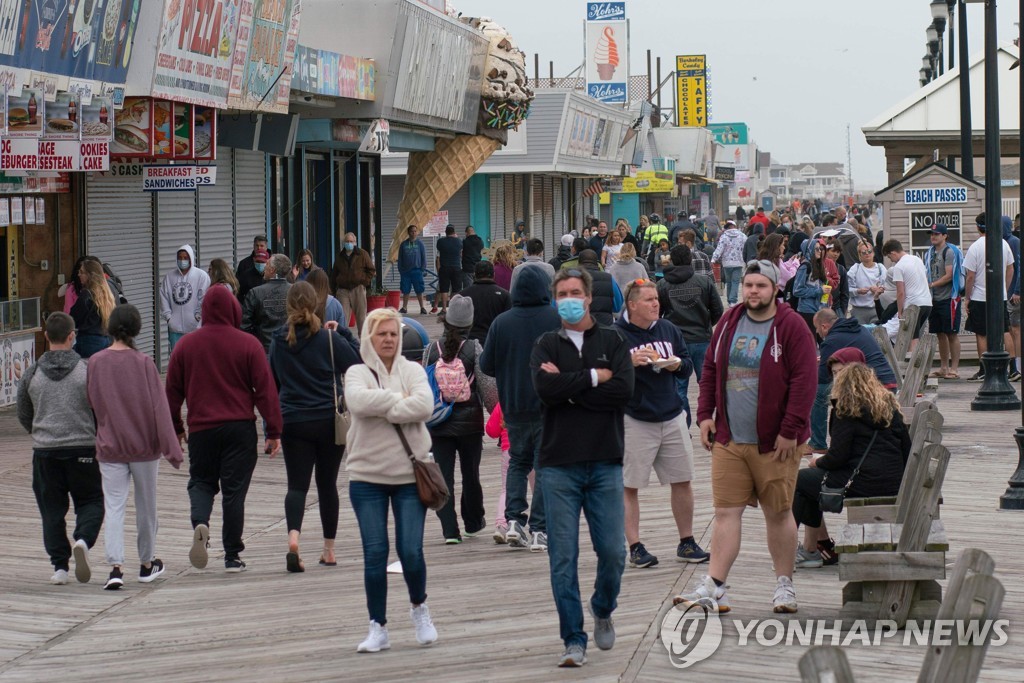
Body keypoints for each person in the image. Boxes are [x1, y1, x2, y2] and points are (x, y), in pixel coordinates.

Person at [675, 259, 816, 614]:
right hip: (730, 439)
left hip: (776, 443)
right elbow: (709, 368)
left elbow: (804, 381)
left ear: (775, 289)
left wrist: (790, 430)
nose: (753, 291)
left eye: (761, 286)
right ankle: (714, 586)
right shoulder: (729, 321)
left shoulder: (792, 326)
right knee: (726, 513)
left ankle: (784, 585)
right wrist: (705, 414)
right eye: (749, 285)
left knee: (779, 513)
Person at [532, 268, 635, 667]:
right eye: (562, 293)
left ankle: (602, 606)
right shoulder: (545, 344)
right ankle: (573, 637)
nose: (569, 298)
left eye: (575, 292)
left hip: (605, 460)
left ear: (590, 297)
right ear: (554, 299)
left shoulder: (613, 339)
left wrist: (570, 390)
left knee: (613, 553)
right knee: (562, 557)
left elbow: (623, 391)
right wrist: (593, 377)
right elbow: (544, 390)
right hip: (558, 464)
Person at [166, 286, 283, 573]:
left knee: (201, 482)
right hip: (239, 428)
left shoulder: (186, 345)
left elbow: (171, 392)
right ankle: (232, 555)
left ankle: (201, 522)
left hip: (202, 429)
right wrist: (273, 432)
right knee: (234, 493)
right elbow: (264, 390)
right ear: (234, 310)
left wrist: (176, 427)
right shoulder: (249, 344)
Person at [344, 308, 438, 653]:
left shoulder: (412, 370)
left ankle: (419, 608)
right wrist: (399, 401)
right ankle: (377, 626)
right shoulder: (356, 372)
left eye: (393, 334)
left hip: (410, 476)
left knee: (410, 550)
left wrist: (383, 406)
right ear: (369, 336)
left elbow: (425, 406)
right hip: (366, 477)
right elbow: (356, 400)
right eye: (381, 334)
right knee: (375, 553)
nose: (388, 339)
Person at [87, 304, 183, 589]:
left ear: (110, 327)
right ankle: (146, 563)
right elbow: (159, 409)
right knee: (146, 505)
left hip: (110, 445)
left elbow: (93, 401)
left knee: (114, 506)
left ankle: (115, 568)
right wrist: (172, 449)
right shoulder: (144, 363)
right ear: (137, 330)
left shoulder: (95, 361)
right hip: (144, 447)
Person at [614, 280, 707, 569]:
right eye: (649, 300)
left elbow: (688, 367)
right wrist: (628, 362)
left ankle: (687, 541)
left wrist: (675, 363)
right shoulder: (615, 336)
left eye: (656, 299)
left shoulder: (668, 329)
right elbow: (605, 373)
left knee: (682, 480)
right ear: (632, 305)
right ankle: (635, 546)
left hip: (672, 414)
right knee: (630, 485)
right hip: (635, 417)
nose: (656, 304)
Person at [269, 282, 361, 572]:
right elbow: (357, 363)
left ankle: (293, 539)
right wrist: (343, 332)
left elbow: (273, 381)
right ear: (317, 305)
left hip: (293, 420)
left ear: (289, 306)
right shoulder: (328, 339)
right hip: (327, 421)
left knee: (296, 486)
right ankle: (329, 550)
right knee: (327, 485)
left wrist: (270, 428)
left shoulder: (278, 340)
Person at [792, 360, 911, 568]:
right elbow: (907, 450)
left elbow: (838, 457)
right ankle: (813, 547)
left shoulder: (846, 410)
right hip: (894, 482)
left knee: (801, 480)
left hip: (862, 481)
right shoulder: (889, 407)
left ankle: (806, 548)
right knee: (809, 482)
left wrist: (817, 462)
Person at [17, 312, 104, 585]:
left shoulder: (31, 374)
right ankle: (83, 540)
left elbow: (23, 412)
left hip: (45, 452)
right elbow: (100, 409)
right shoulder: (87, 371)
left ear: (45, 337)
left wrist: (40, 430)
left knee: (51, 511)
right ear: (72, 336)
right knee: (91, 501)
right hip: (83, 448)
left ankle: (60, 567)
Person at [480, 266, 560, 549]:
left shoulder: (501, 322)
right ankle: (539, 528)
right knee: (544, 465)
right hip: (548, 404)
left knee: (518, 461)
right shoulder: (555, 318)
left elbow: (486, 365)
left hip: (513, 406)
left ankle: (514, 521)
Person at [422, 295, 486, 543]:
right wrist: (497, 415)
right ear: (469, 325)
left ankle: (450, 530)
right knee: (471, 474)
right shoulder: (475, 348)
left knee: (444, 476)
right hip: (470, 425)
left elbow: (424, 386)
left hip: (439, 423)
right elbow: (487, 387)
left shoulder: (431, 349)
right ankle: (472, 521)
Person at [808, 308, 899, 452]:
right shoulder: (858, 329)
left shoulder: (832, 340)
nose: (817, 333)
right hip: (889, 383)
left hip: (872, 387)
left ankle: (818, 443)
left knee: (816, 392)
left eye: (817, 329)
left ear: (824, 326)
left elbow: (822, 377)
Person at [657, 245, 724, 427]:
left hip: (675, 341)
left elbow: (657, 314)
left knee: (679, 387)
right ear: (690, 260)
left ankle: (682, 426)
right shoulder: (704, 282)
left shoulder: (663, 284)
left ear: (672, 260)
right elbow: (718, 310)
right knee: (708, 384)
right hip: (702, 339)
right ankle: (709, 421)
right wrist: (705, 324)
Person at [962, 215, 1016, 382]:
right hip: (999, 297)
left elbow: (970, 276)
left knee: (981, 334)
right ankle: (1013, 369)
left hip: (979, 297)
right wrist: (1004, 290)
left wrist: (967, 297)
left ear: (978, 228)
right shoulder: (1003, 243)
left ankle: (984, 369)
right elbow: (1011, 269)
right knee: (1005, 330)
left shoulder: (975, 247)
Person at [923, 224, 964, 379]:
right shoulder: (930, 252)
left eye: (937, 234)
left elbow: (949, 275)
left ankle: (954, 369)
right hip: (934, 298)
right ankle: (944, 367)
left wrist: (931, 284)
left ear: (945, 236)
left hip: (949, 298)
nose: (933, 236)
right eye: (931, 234)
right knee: (940, 333)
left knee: (951, 333)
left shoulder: (949, 252)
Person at [159, 244, 210, 356]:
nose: (182, 261)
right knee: (177, 359)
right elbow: (163, 297)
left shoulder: (201, 276)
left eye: (185, 258)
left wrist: (198, 317)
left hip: (195, 329)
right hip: (175, 329)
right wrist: (168, 318)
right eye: (180, 258)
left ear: (191, 258)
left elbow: (205, 298)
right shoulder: (169, 277)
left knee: (195, 358)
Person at [881, 239, 933, 343]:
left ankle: (910, 358)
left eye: (889, 257)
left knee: (912, 337)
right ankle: (912, 357)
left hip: (913, 305)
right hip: (927, 303)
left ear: (893, 253)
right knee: (915, 334)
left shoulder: (899, 267)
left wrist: (900, 312)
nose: (891, 260)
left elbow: (900, 292)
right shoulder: (917, 260)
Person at [242, 253, 293, 355]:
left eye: (267, 264)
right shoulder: (296, 291)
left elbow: (244, 325)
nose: (264, 266)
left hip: (263, 351)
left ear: (272, 270)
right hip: (290, 349)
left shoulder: (255, 293)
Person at [70, 259, 116, 358]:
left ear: (90, 275)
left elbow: (73, 317)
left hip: (89, 341)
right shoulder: (107, 294)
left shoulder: (86, 295)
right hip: (107, 339)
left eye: (81, 272)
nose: (78, 274)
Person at [793, 238, 840, 333]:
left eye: (821, 249)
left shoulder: (818, 265)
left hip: (820, 309)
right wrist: (819, 291)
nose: (820, 251)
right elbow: (797, 290)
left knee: (823, 339)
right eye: (817, 249)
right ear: (809, 250)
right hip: (807, 311)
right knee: (813, 341)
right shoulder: (805, 266)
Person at [332, 232, 376, 334]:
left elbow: (371, 270)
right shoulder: (339, 256)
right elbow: (334, 274)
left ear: (355, 242)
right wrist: (334, 289)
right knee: (343, 318)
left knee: (361, 317)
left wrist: (364, 282)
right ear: (344, 243)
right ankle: (342, 341)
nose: (349, 243)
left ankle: (364, 342)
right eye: (347, 241)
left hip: (358, 288)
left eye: (351, 241)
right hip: (343, 290)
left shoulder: (362, 254)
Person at [459, 260, 511, 343]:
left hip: (468, 343)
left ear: (474, 275)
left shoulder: (462, 295)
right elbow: (508, 323)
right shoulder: (504, 295)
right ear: (494, 275)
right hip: (495, 341)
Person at [847, 239, 887, 324]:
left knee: (877, 335)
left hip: (876, 308)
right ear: (859, 255)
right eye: (864, 252)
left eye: (869, 251)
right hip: (859, 310)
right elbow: (847, 290)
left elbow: (887, 287)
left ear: (873, 253)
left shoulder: (880, 268)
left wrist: (878, 290)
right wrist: (858, 291)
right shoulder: (855, 269)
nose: (867, 254)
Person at [577, 250, 623, 325]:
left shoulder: (570, 279)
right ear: (597, 263)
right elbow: (618, 306)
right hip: (604, 327)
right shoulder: (609, 279)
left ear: (579, 263)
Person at [1002, 215, 1022, 380]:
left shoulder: (1013, 242)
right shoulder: (1005, 242)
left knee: (1015, 330)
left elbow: (1018, 268)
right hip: (1008, 293)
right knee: (1011, 329)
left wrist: (1016, 291)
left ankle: (1017, 367)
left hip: (1013, 294)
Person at [712, 220, 747, 305]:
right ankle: (733, 300)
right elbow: (746, 246)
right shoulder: (742, 236)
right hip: (738, 262)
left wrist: (713, 259)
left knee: (729, 282)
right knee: (735, 281)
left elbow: (719, 249)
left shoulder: (724, 236)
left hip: (727, 263)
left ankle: (729, 300)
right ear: (734, 226)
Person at [397, 225, 428, 315]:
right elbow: (400, 258)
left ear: (417, 232)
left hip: (417, 271)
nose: (413, 233)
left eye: (415, 231)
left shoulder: (420, 244)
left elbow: (423, 257)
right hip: (406, 272)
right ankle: (404, 307)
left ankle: (422, 307)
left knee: (419, 289)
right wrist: (401, 270)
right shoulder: (403, 244)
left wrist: (422, 269)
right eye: (412, 231)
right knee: (405, 290)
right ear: (408, 232)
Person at [434, 224, 464, 317]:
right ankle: (452, 308)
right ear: (454, 232)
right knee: (456, 289)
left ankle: (443, 309)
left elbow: (438, 255)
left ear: (445, 232)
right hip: (456, 267)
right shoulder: (459, 241)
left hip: (444, 267)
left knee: (444, 289)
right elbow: (460, 253)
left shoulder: (440, 242)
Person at [236, 235, 270, 301]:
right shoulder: (244, 263)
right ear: (253, 246)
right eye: (257, 245)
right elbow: (238, 286)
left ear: (266, 247)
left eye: (261, 246)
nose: (259, 248)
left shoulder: (274, 262)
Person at [826, 243, 851, 317]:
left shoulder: (841, 269)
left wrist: (843, 310)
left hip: (836, 308)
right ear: (826, 251)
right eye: (833, 251)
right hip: (822, 306)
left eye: (838, 252)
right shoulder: (820, 266)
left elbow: (845, 292)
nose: (836, 254)